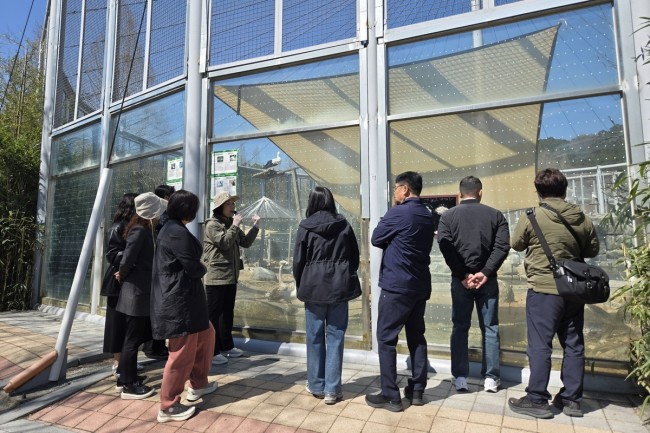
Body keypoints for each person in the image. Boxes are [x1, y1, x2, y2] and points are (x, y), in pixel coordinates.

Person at [508, 168, 599, 419]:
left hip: (543, 290)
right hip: (574, 290)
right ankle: (571, 400)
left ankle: (537, 399)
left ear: (538, 191)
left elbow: (516, 244)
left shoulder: (531, 216)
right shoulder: (582, 217)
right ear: (565, 189)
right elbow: (592, 250)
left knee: (540, 345)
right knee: (573, 344)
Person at [366, 171, 435, 412]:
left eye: (396, 187)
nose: (394, 192)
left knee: (386, 339)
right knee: (417, 337)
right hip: (419, 285)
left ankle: (390, 395)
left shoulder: (398, 213)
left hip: (397, 285)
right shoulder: (427, 214)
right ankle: (417, 391)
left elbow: (376, 238)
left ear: (405, 189)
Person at [436, 176, 510, 393]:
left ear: (460, 194)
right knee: (490, 328)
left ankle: (460, 378)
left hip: (461, 282)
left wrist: (462, 275)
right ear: (480, 192)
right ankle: (491, 379)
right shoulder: (495, 215)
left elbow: (446, 247)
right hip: (488, 281)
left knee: (460, 327)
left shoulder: (448, 216)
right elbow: (502, 246)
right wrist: (485, 273)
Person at [152, 190, 217, 423]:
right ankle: (168, 406)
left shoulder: (171, 228)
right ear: (188, 211)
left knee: (206, 335)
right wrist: (204, 267)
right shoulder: (176, 232)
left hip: (185, 299)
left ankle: (198, 384)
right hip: (179, 302)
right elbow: (193, 266)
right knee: (181, 354)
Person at [293, 186, 361, 405]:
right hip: (339, 287)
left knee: (314, 336)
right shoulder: (344, 224)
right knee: (336, 337)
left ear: (312, 202)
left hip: (313, 288)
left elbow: (298, 261)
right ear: (331, 201)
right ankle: (332, 390)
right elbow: (354, 256)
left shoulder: (305, 226)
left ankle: (316, 385)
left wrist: (301, 282)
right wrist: (344, 274)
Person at [202, 191, 261, 365]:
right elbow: (224, 243)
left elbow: (245, 243)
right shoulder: (212, 225)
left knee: (227, 314)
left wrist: (255, 227)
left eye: (233, 204)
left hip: (230, 276)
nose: (232, 207)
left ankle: (226, 346)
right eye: (228, 204)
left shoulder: (230, 223)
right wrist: (235, 225)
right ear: (219, 207)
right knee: (213, 316)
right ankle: (211, 352)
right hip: (216, 277)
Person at [114, 192, 163, 399]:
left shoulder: (144, 230)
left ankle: (128, 376)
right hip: (135, 293)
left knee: (133, 339)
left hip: (139, 292)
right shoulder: (140, 230)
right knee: (132, 340)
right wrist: (122, 274)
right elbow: (127, 258)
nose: (160, 215)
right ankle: (128, 384)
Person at [102, 193, 143, 379]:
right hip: (117, 281)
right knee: (117, 323)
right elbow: (112, 254)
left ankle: (127, 361)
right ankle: (118, 362)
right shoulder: (118, 226)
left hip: (129, 278)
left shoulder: (136, 226)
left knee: (129, 324)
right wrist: (131, 258)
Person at [140, 184, 176, 361]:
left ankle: (154, 345)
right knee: (159, 309)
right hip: (159, 269)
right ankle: (155, 346)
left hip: (156, 268)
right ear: (165, 198)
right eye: (171, 196)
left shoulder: (156, 217)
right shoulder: (162, 217)